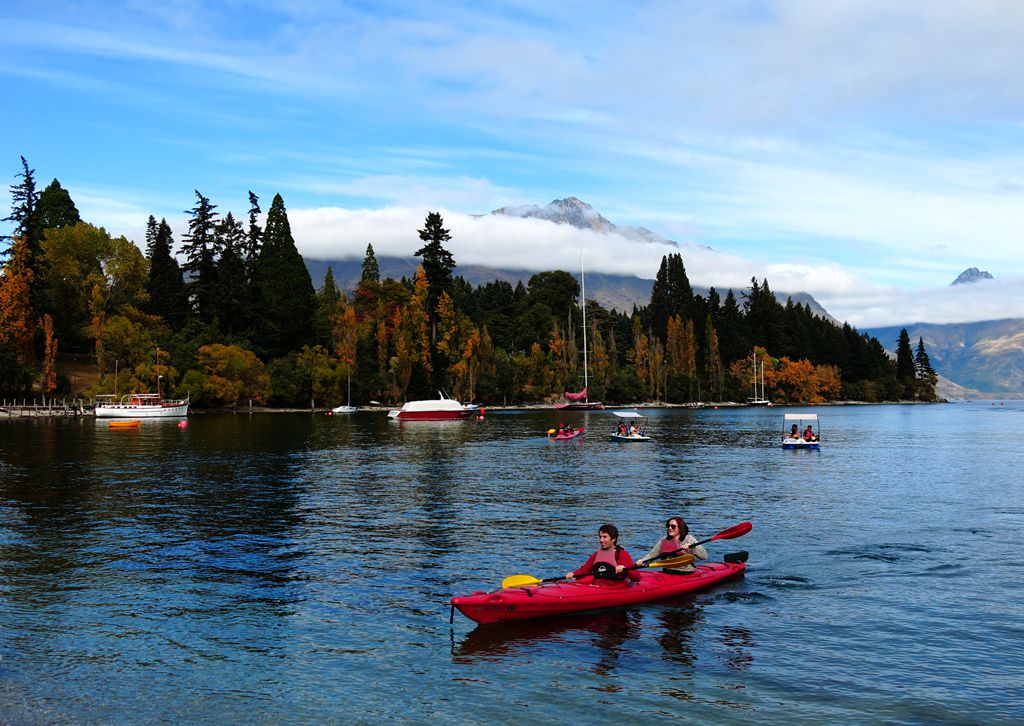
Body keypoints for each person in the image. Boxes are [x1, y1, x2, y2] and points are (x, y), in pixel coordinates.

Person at [566, 523, 641, 582]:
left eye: (604, 537)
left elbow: (637, 577)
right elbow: (584, 570)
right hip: (597, 586)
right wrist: (574, 574)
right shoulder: (597, 554)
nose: (601, 540)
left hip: (615, 588)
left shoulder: (621, 554)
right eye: (600, 537)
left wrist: (625, 570)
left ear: (613, 539)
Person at [635, 516, 708, 574]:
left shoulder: (688, 538)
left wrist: (692, 548)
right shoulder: (663, 540)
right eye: (668, 526)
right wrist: (642, 561)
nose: (669, 528)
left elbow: (704, 556)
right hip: (667, 572)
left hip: (685, 573)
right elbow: (652, 555)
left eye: (673, 526)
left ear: (680, 528)